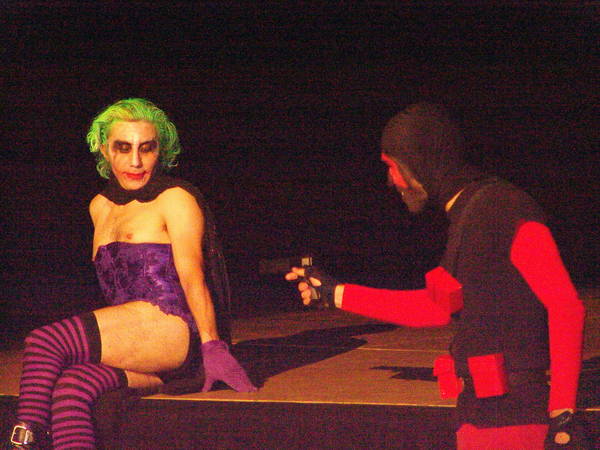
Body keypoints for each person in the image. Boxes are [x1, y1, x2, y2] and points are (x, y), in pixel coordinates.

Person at [286, 103, 587, 448]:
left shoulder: (503, 207)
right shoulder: (468, 214)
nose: (391, 180)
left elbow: (565, 305)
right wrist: (335, 293)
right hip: (479, 415)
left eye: (392, 166)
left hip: (516, 421)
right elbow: (437, 307)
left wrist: (563, 412)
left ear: (420, 161)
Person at [9, 98, 256, 449]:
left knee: (45, 342)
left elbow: (193, 276)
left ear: (160, 151)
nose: (136, 161)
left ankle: (22, 441)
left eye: (147, 148)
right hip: (139, 342)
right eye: (123, 148)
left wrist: (213, 345)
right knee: (71, 388)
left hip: (173, 331)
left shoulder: (175, 198)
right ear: (104, 150)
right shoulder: (99, 206)